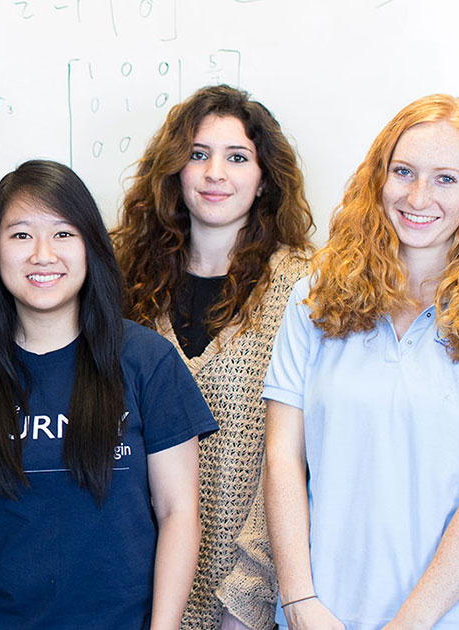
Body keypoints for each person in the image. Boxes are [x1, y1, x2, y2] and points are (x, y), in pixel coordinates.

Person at [0, 159, 217, 630]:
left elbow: (179, 512)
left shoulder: (148, 362)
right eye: (21, 235)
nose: (43, 255)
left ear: (92, 247)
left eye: (64, 234)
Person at [264, 94, 459, 629]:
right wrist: (299, 601)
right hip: (324, 614)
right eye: (403, 171)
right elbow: (282, 457)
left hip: (456, 616)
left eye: (446, 179)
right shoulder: (312, 300)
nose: (417, 196)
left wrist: (408, 623)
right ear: (377, 178)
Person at [114, 84, 313, 630]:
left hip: (246, 596)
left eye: (237, 157)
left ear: (265, 176)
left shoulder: (303, 289)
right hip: (138, 584)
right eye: (198, 155)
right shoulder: (125, 282)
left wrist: (247, 600)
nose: (214, 173)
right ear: (174, 170)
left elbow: (297, 461)